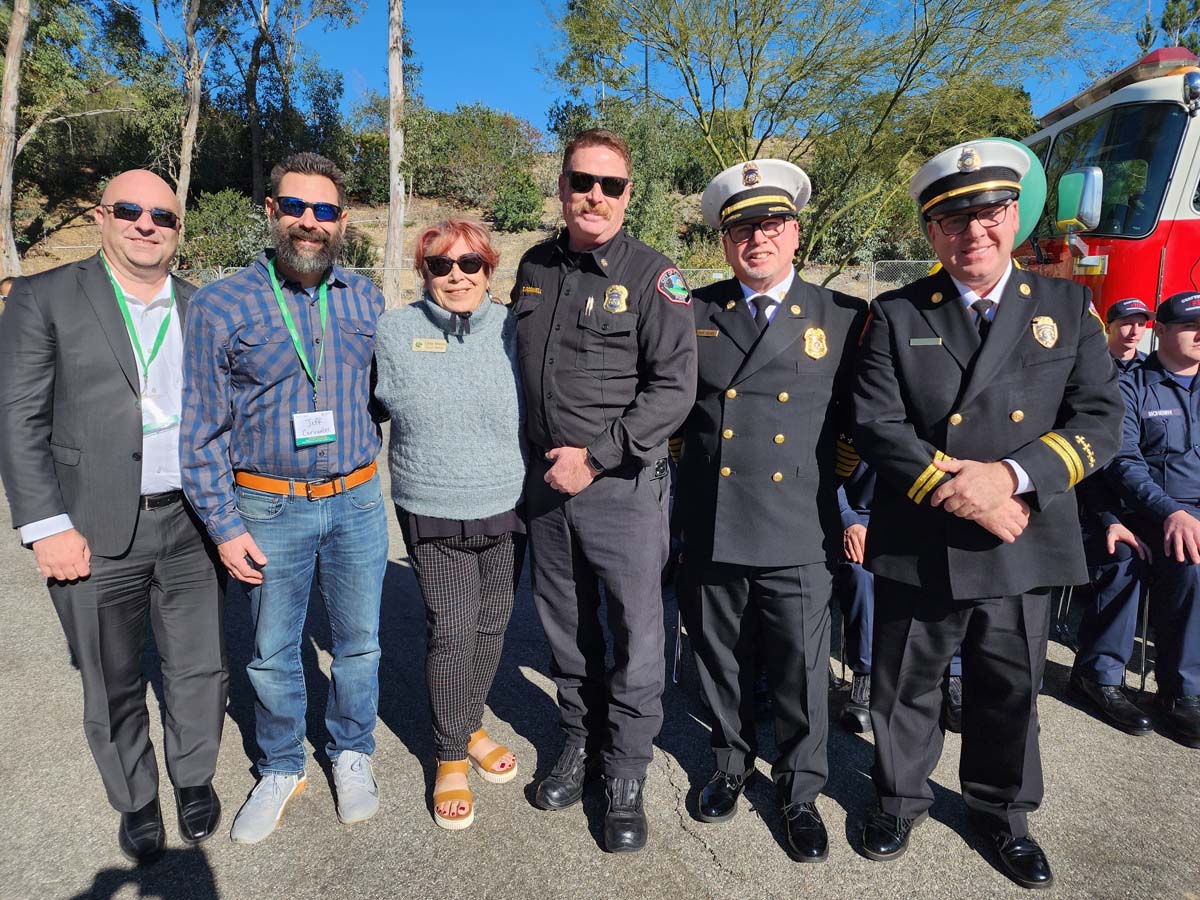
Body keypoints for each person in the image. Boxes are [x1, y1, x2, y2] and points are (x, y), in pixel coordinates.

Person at [853, 138, 1124, 889]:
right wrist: (961, 492)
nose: (974, 231)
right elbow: (876, 424)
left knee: (1010, 686)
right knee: (905, 685)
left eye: (990, 213)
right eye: (953, 219)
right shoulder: (896, 311)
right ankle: (899, 799)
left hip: (1020, 532)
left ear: (1014, 217)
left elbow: (1100, 422)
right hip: (925, 534)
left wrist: (1007, 479)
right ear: (931, 232)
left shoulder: (1066, 306)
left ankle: (1002, 812)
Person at [0, 170, 226, 864]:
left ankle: (194, 777)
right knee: (112, 677)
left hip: (190, 524)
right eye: (130, 210)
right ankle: (136, 796)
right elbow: (18, 419)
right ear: (102, 217)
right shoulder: (44, 297)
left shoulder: (200, 305)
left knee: (198, 667)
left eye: (163, 216)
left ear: (178, 229)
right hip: (92, 527)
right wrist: (46, 526)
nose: (146, 224)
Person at [181, 152, 387, 844]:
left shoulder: (365, 298)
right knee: (272, 653)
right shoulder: (220, 304)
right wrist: (223, 524)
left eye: (324, 210)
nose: (309, 221)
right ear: (271, 211)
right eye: (295, 206)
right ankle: (280, 764)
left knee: (359, 645)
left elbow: (386, 395)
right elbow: (200, 427)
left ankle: (352, 751)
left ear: (342, 221)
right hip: (268, 506)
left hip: (357, 500)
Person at [672, 159, 865, 862]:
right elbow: (672, 411)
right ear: (725, 241)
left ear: (796, 233)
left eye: (772, 224)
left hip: (798, 524)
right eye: (742, 229)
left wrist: (842, 500)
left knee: (801, 669)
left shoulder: (843, 317)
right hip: (715, 516)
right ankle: (729, 763)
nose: (758, 238)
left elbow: (860, 424)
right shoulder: (694, 312)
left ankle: (800, 791)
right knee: (720, 658)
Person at [510, 128, 697, 853]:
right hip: (546, 490)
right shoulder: (534, 265)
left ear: (627, 194)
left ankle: (624, 772)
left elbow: (674, 389)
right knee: (565, 627)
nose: (595, 196)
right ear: (562, 188)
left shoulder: (654, 276)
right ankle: (578, 743)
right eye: (582, 182)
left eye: (610, 185)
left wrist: (594, 458)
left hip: (619, 488)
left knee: (636, 636)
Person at [373, 218, 526, 830]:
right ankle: (449, 754)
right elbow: (365, 407)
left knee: (492, 626)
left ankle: (470, 723)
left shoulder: (517, 328)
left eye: (470, 264)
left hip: (507, 501)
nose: (456, 275)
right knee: (453, 630)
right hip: (432, 503)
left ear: (490, 270)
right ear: (424, 273)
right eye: (440, 265)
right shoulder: (394, 331)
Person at [1107, 290, 1200, 750]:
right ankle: (1181, 691)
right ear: (1161, 331)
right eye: (1190, 326)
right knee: (1192, 563)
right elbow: (1124, 461)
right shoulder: (1132, 386)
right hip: (1152, 510)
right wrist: (1172, 511)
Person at [1070, 296, 1154, 736]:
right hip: (1093, 503)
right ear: (1108, 326)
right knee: (1125, 557)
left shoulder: (1153, 375)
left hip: (1144, 501)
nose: (1134, 331)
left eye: (1142, 323)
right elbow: (1084, 462)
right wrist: (1107, 517)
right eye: (1125, 322)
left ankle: (1182, 684)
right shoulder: (1085, 372)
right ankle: (1099, 675)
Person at [834, 460, 964, 735]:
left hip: (926, 514)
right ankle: (866, 674)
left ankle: (953, 673)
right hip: (864, 515)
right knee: (861, 572)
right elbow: (825, 472)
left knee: (950, 562)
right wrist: (847, 519)